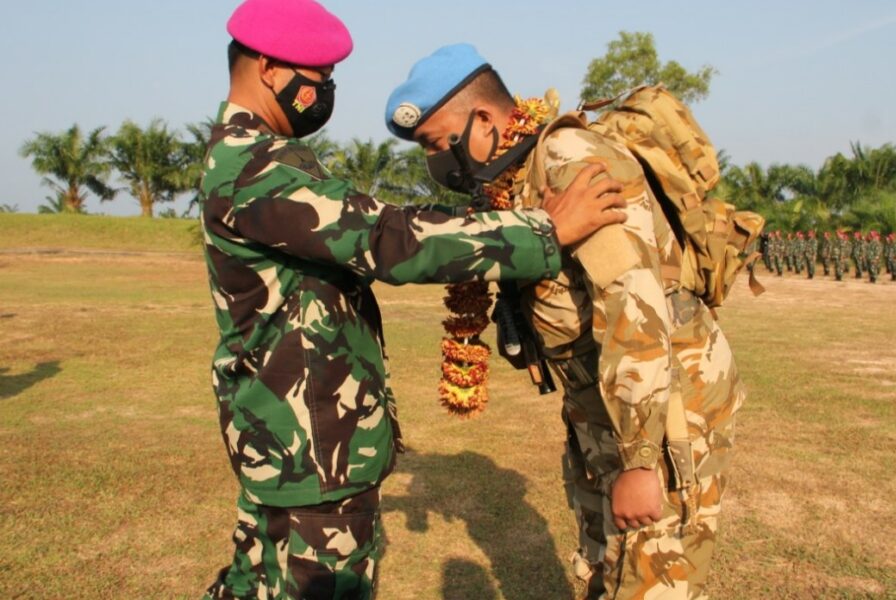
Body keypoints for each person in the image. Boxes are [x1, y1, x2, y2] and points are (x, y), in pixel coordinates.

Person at [199, 4, 628, 599]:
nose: (324, 95)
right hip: (309, 453)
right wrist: (542, 233)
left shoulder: (257, 158)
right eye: (318, 81)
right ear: (270, 69)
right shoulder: (254, 169)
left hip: (292, 444)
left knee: (256, 586)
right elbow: (385, 239)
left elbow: (375, 224)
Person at [386, 44, 746, 599]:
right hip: (600, 405)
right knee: (602, 568)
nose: (436, 162)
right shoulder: (516, 182)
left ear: (484, 120)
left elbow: (636, 307)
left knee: (654, 580)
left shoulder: (568, 161)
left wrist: (642, 463)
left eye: (438, 144)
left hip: (661, 408)